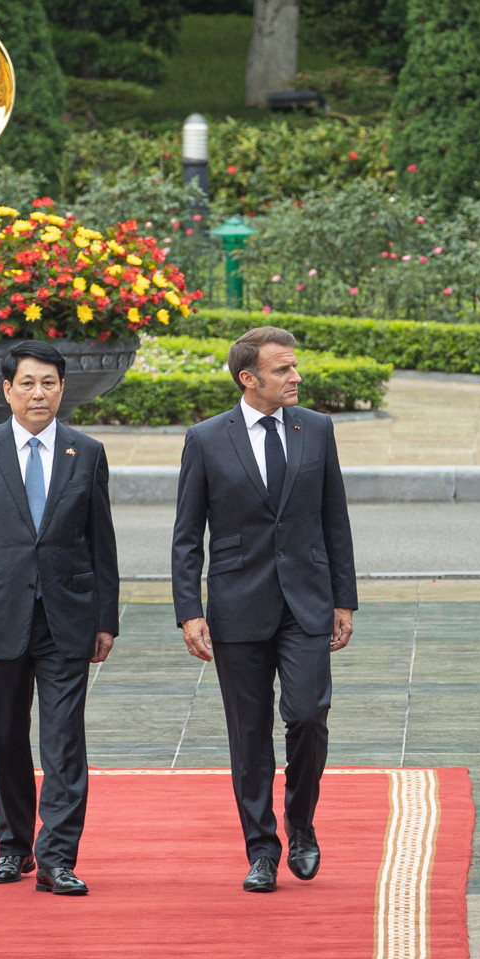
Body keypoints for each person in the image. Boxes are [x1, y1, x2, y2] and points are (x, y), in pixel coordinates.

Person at [171, 325, 357, 892]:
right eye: (283, 370)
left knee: (306, 715)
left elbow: (335, 520)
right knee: (248, 733)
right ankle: (261, 849)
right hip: (237, 606)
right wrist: (189, 609)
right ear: (248, 378)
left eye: (295, 367)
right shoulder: (206, 439)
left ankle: (301, 825)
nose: (296, 377)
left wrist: (343, 599)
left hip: (307, 603)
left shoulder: (317, 430)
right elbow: (187, 535)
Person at [0, 340, 118, 895]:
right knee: (4, 739)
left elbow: (101, 544)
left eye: (48, 383)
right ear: (7, 391)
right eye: (27, 384)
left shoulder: (85, 453)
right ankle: (12, 846)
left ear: (63, 390)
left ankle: (57, 857)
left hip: (67, 616)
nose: (38, 393)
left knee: (64, 740)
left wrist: (105, 620)